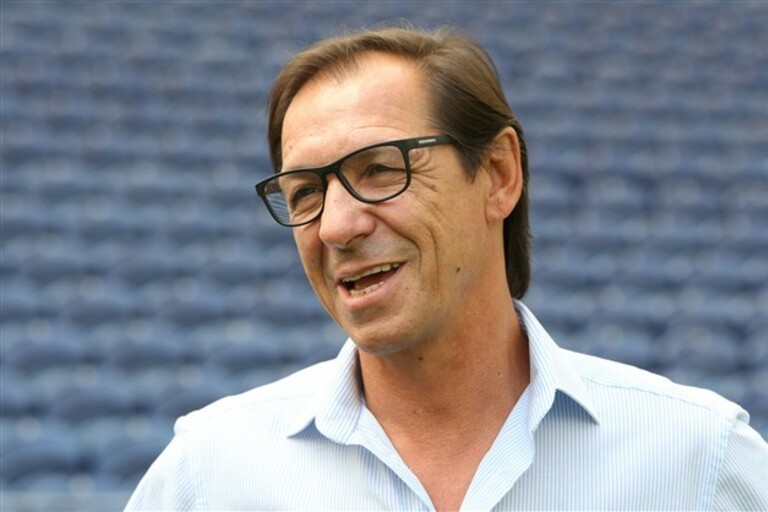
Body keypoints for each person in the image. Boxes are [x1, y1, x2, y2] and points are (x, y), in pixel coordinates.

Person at [126, 26, 768, 511]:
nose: (335, 227)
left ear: (499, 174)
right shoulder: (208, 475)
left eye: (381, 169)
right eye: (305, 193)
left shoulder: (698, 460)